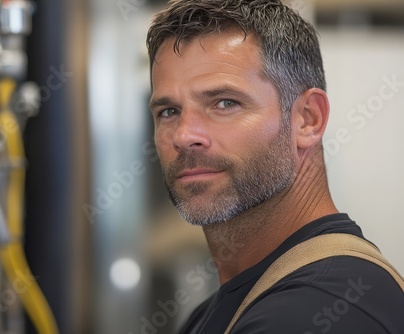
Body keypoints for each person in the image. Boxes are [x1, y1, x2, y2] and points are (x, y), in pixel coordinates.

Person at [146, 0, 404, 333]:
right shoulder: (219, 309)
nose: (183, 135)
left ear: (308, 119)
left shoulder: (320, 307)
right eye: (168, 111)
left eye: (225, 103)